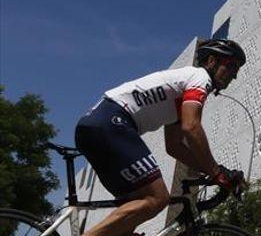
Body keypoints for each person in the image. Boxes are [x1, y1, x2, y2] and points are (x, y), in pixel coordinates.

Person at [74, 38, 248, 236]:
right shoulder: (199, 78)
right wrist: (217, 173)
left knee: (130, 218)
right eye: (231, 65)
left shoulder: (178, 92)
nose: (234, 74)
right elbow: (191, 127)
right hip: (112, 123)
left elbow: (174, 146)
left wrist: (212, 170)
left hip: (95, 125)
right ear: (211, 61)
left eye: (237, 70)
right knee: (157, 198)